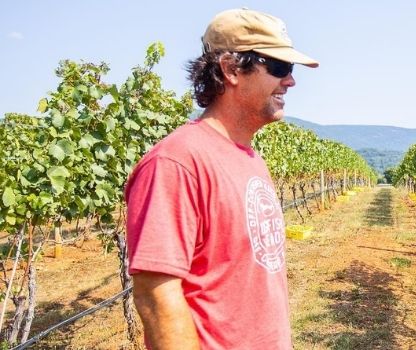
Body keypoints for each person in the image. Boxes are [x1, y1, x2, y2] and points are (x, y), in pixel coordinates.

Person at [124, 8, 318, 349]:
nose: (290, 80)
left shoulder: (250, 157)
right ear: (230, 69)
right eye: (279, 67)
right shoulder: (176, 162)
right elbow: (157, 295)